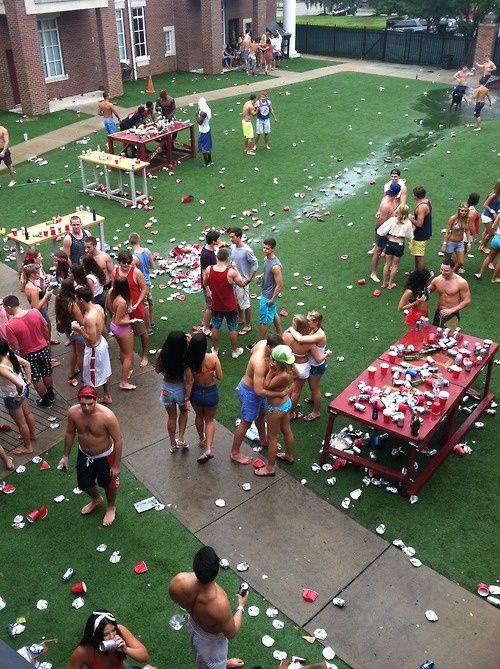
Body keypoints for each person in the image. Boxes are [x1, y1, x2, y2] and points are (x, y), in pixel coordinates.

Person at [168, 545, 247, 669]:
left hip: (193, 627)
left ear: (195, 565)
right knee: (211, 664)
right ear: (216, 571)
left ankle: (222, 664)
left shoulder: (179, 581)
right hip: (211, 643)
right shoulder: (219, 603)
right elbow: (231, 633)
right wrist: (241, 606)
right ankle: (222, 665)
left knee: (200, 656)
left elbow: (175, 598)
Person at [60, 385, 122, 526]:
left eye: (90, 404)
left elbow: (118, 440)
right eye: (83, 404)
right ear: (78, 401)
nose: (87, 408)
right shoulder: (73, 412)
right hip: (84, 454)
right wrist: (65, 456)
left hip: (105, 456)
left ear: (96, 400)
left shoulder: (107, 416)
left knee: (109, 485)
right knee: (84, 484)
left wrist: (116, 466)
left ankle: (111, 507)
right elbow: (70, 433)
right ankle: (96, 499)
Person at [230, 334, 285, 465]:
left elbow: (251, 351)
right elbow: (259, 390)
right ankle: (235, 452)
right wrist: (280, 393)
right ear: (268, 347)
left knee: (260, 416)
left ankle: (263, 440)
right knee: (246, 422)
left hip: (257, 390)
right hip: (249, 392)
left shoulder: (261, 342)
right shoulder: (260, 362)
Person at [4, 294, 54, 407]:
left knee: (36, 378)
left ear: (9, 307)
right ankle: (51, 394)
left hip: (28, 354)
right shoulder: (35, 312)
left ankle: (46, 401)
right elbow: (45, 329)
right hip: (43, 348)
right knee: (47, 372)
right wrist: (47, 341)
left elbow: (14, 346)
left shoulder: (10, 326)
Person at [255, 345, 295, 476]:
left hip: (276, 409)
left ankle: (270, 468)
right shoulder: (289, 370)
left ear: (277, 362)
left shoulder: (282, 375)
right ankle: (289, 455)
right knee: (286, 430)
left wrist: (271, 372)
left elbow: (266, 385)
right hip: (285, 404)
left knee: (272, 438)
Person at [67, 609, 151, 669]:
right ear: (96, 636)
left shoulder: (120, 631)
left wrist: (126, 650)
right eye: (105, 634)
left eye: (113, 630)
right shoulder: (83, 651)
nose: (112, 637)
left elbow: (144, 657)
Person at [283, 314, 330, 420]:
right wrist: (327, 354)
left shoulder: (289, 336)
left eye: (309, 320)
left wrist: (289, 329)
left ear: (316, 322)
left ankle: (316, 411)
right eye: (306, 321)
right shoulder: (310, 340)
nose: (307, 322)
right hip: (305, 366)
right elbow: (301, 341)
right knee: (297, 390)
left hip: (300, 365)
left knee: (308, 388)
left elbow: (288, 345)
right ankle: (291, 412)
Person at [185, 332, 222, 463]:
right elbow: (220, 376)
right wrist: (210, 372)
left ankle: (201, 439)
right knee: (210, 420)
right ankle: (208, 449)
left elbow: (189, 383)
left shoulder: (190, 362)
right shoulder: (213, 358)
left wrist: (186, 399)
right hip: (211, 392)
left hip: (196, 392)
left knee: (199, 416)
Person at [204, 247, 246, 358]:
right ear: (227, 258)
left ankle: (215, 349)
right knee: (232, 328)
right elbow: (242, 283)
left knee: (215, 327)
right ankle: (234, 351)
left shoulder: (209, 269)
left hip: (216, 304)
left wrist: (209, 290)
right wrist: (235, 268)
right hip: (229, 306)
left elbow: (205, 282)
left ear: (217, 257)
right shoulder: (230, 272)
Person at [73, 287, 112, 405]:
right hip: (102, 343)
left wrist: (79, 330)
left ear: (81, 300)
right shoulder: (98, 308)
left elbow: (91, 338)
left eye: (76, 299)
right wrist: (83, 329)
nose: (75, 302)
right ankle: (107, 395)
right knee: (105, 371)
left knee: (91, 378)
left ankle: (93, 402)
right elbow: (99, 328)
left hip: (94, 348)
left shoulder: (89, 317)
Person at [0, 337, 35, 459]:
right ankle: (33, 435)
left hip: (13, 396)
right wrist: (29, 380)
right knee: (28, 413)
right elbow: (27, 364)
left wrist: (18, 396)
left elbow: (18, 384)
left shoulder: (1, 367)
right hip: (24, 389)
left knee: (21, 423)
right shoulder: (9, 353)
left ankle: (27, 446)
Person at [114, 251, 149, 368]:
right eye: (124, 262)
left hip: (135, 308)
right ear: (119, 262)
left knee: (142, 332)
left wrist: (138, 302)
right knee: (123, 334)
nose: (126, 265)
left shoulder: (136, 272)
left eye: (129, 262)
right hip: (122, 309)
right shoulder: (115, 272)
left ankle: (145, 355)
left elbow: (144, 288)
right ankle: (125, 354)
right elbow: (113, 290)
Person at [155, 331, 189, 453]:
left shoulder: (161, 353)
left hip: (167, 389)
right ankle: (181, 439)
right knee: (183, 412)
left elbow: (157, 370)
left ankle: (172, 444)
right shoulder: (185, 356)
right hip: (180, 388)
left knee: (172, 416)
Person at [107, 277, 138, 391]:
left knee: (123, 351)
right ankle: (124, 382)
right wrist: (132, 321)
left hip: (115, 327)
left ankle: (127, 371)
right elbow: (120, 321)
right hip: (122, 328)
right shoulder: (122, 301)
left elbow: (110, 310)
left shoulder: (112, 294)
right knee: (129, 355)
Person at [55, 279, 85, 386]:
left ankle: (71, 372)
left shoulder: (58, 299)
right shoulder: (72, 304)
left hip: (68, 331)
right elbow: (82, 321)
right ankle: (84, 376)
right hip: (76, 332)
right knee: (80, 354)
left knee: (75, 352)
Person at [229, 227, 258, 335]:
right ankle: (240, 318)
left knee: (245, 304)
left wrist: (249, 279)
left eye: (232, 237)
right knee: (236, 301)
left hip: (242, 281)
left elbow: (255, 264)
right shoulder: (232, 247)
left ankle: (248, 325)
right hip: (234, 279)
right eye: (230, 237)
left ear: (239, 237)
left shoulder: (247, 250)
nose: (230, 239)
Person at [377, 204, 414, 289]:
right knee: (394, 265)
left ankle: (384, 283)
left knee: (387, 264)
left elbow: (381, 231)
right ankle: (390, 284)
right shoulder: (408, 223)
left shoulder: (392, 220)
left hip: (390, 243)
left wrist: (388, 236)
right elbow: (410, 237)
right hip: (399, 244)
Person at [370, 182, 401, 282]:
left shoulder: (392, 200)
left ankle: (389, 266)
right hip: (384, 231)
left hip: (390, 230)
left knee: (388, 251)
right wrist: (388, 235)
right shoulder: (386, 205)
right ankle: (373, 273)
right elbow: (382, 223)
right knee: (378, 251)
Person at [428, 259, 471, 330]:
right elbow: (428, 291)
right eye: (441, 269)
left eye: (446, 271)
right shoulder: (437, 280)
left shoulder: (461, 282)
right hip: (439, 312)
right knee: (435, 333)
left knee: (449, 337)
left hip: (452, 315)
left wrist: (451, 310)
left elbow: (467, 301)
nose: (443, 272)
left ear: (453, 269)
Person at [258, 238, 283, 341]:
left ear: (273, 249)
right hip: (266, 292)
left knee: (264, 321)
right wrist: (261, 276)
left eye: (267, 248)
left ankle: (259, 343)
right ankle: (280, 335)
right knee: (273, 313)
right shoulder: (266, 259)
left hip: (268, 296)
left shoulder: (275, 266)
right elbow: (267, 274)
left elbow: (280, 285)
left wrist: (272, 299)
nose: (264, 250)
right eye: (264, 247)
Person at [129, 232, 154, 334]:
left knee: (145, 305)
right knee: (150, 301)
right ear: (139, 240)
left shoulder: (134, 258)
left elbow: (133, 273)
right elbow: (152, 265)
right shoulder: (147, 251)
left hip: (141, 284)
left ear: (130, 243)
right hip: (148, 281)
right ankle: (151, 322)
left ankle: (148, 328)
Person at [443, 202, 473, 273]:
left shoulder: (467, 219)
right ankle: (445, 274)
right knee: (447, 262)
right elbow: (447, 232)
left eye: (465, 211)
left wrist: (469, 243)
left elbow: (467, 231)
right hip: (450, 242)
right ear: (459, 210)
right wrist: (444, 244)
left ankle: (452, 273)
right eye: (462, 211)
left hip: (460, 243)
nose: (463, 213)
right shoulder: (453, 219)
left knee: (460, 262)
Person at [200, 230, 220, 335]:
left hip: (210, 283)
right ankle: (206, 328)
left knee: (208, 304)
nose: (219, 241)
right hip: (208, 284)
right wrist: (207, 288)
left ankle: (204, 321)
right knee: (210, 306)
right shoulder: (206, 254)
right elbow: (204, 272)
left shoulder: (209, 250)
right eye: (217, 239)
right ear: (213, 241)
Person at [409, 185, 432, 270]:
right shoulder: (427, 201)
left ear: (415, 196)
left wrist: (410, 219)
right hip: (423, 231)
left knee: (419, 256)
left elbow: (419, 224)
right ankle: (417, 272)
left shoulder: (422, 207)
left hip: (420, 233)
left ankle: (422, 275)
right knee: (417, 253)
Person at [475, 212, 500, 283]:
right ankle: (494, 278)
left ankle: (480, 274)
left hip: (496, 238)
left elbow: (493, 227)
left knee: (489, 257)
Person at [478, 181, 500, 253]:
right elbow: (485, 204)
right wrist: (493, 212)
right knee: (492, 233)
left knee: (487, 231)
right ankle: (482, 246)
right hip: (487, 216)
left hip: (493, 216)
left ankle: (481, 245)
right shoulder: (494, 195)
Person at [196, 97, 213, 167]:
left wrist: (197, 115)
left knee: (204, 147)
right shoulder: (207, 110)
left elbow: (199, 122)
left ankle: (206, 162)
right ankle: (210, 160)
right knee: (208, 146)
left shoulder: (203, 112)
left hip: (203, 131)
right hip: (207, 130)